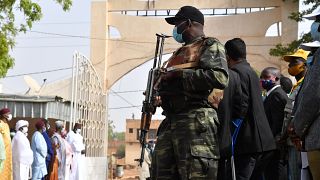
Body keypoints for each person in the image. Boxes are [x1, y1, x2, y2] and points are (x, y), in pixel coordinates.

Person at [151, 6, 229, 179]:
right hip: (172, 120)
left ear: (188, 24)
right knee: (161, 172)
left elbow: (219, 77)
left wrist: (179, 74)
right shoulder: (178, 53)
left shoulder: (209, 45)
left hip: (196, 123)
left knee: (196, 173)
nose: (175, 29)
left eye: (177, 23)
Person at [225, 38, 276, 180]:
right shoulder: (250, 71)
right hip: (262, 142)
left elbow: (241, 104)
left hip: (249, 141)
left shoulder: (236, 72)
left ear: (227, 56)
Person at [280, 49, 310, 180]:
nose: (290, 66)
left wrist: (284, 136)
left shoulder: (306, 85)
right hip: (290, 141)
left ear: (305, 64)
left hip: (297, 141)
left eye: (294, 62)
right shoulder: (296, 85)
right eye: (290, 63)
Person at [260, 67, 288, 180]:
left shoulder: (277, 95)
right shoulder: (272, 94)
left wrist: (270, 141)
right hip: (271, 144)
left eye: (266, 77)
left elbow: (278, 122)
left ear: (275, 78)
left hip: (274, 145)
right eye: (261, 77)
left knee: (274, 173)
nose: (262, 80)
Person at [217, 68, 243, 180]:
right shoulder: (233, 75)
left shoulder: (193, 71)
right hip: (222, 140)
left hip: (196, 140)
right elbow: (239, 108)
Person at [0, 108, 13, 180]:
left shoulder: (6, 124)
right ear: (4, 115)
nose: (9, 115)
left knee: (7, 171)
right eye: (8, 113)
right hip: (2, 153)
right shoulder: (0, 124)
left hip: (8, 153)